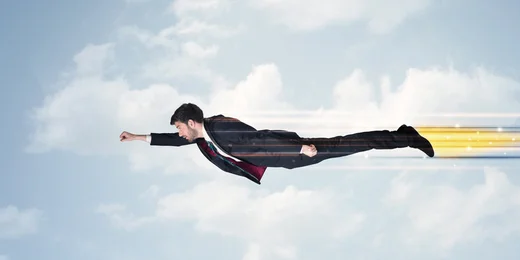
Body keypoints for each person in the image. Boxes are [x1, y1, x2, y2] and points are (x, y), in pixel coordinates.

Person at [120, 103, 434, 184]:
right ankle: (402, 133)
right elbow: (173, 143)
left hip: (294, 151)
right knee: (349, 144)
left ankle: (406, 136)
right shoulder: (204, 138)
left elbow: (261, 139)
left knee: (350, 144)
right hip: (290, 157)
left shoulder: (218, 129)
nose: (179, 134)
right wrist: (138, 138)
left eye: (179, 127)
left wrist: (299, 149)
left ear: (191, 122)